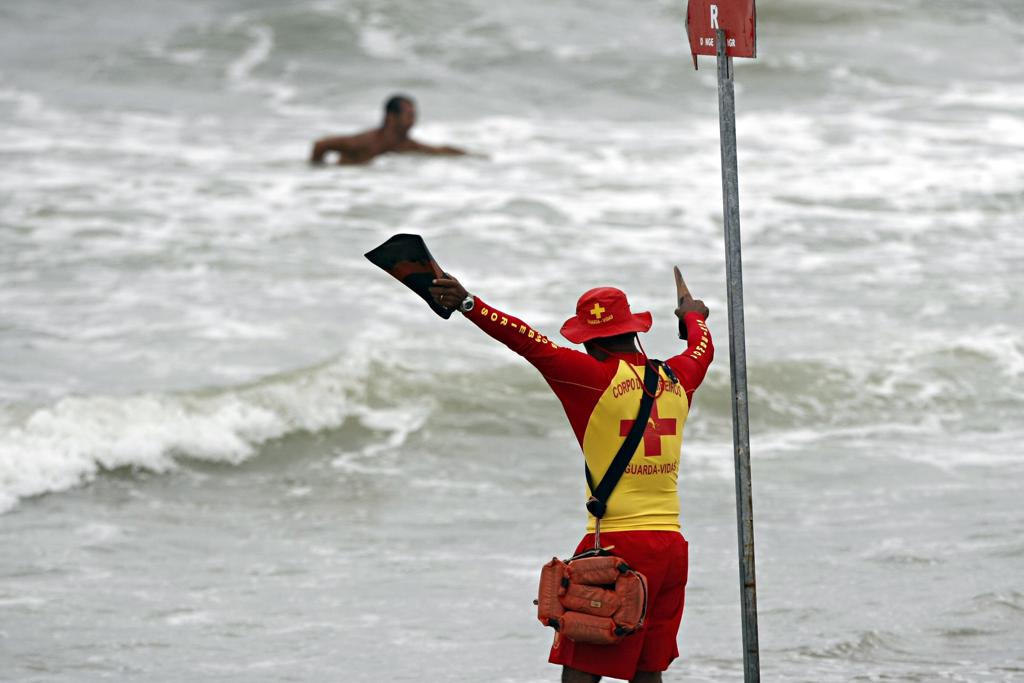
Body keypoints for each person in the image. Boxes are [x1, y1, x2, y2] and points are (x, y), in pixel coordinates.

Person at [428, 272, 713, 683]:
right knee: (647, 673)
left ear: (589, 342)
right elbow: (703, 349)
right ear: (633, 330)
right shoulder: (677, 377)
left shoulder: (590, 377)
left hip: (618, 546)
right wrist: (693, 317)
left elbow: (527, 341)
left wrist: (468, 302)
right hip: (671, 547)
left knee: (579, 674)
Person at [309, 94, 467, 165]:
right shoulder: (366, 141)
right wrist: (319, 172)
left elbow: (437, 151)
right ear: (391, 117)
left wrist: (470, 155)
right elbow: (320, 145)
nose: (413, 120)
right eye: (409, 115)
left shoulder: (405, 144)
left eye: (414, 115)